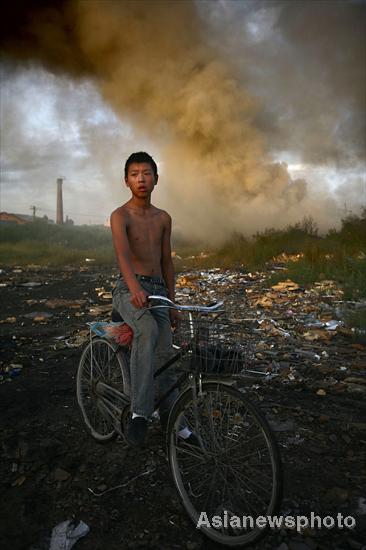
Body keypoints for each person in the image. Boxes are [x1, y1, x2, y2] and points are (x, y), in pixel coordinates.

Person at [110, 151, 192, 447]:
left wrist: (173, 303)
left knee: (165, 354)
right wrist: (134, 289)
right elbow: (122, 256)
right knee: (147, 330)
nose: (141, 179)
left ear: (156, 179)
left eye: (146, 173)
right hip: (128, 289)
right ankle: (140, 414)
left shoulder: (163, 218)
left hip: (157, 290)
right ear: (126, 181)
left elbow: (167, 262)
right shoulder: (120, 216)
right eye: (134, 174)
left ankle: (176, 422)